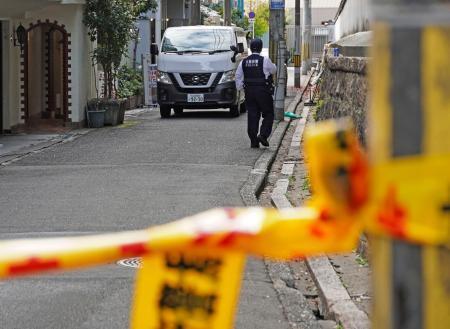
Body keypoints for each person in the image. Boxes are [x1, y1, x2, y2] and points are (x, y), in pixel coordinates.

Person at [236, 38, 277, 148]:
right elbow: (273, 70)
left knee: (253, 115)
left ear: (250, 48)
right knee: (268, 114)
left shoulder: (243, 62)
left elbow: (238, 77)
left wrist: (241, 88)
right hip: (263, 91)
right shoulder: (265, 60)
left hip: (249, 92)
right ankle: (263, 135)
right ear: (260, 48)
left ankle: (253, 140)